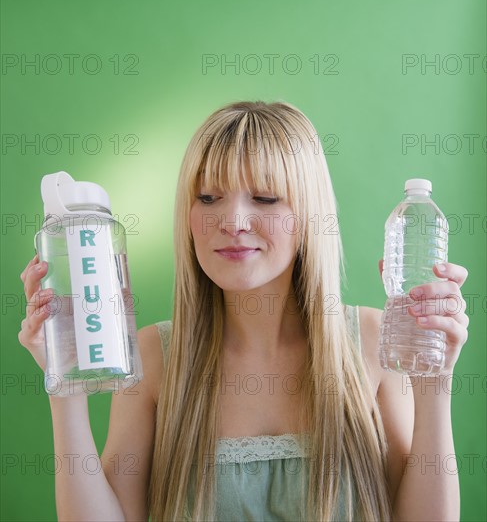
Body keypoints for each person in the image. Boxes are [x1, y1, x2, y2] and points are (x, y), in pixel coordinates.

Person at [19, 100, 469, 521]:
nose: (232, 222)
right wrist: (66, 380)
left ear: (308, 217)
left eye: (265, 198)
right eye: (209, 198)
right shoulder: (156, 358)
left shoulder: (373, 343)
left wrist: (435, 380)